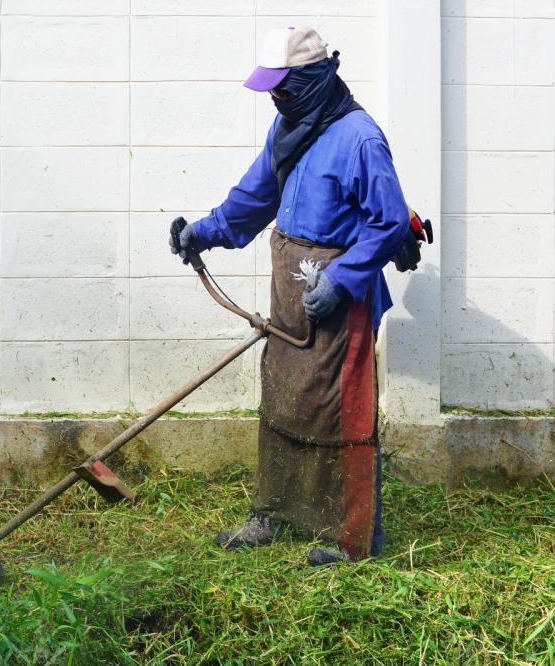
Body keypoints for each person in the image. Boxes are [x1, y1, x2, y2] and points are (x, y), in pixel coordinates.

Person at [169, 26, 410, 565]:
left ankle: (353, 539)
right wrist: (203, 231)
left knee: (342, 410)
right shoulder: (289, 128)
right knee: (284, 395)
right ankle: (273, 512)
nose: (276, 97)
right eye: (272, 89)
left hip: (339, 298)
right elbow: (254, 197)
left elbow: (389, 221)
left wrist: (343, 280)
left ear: (314, 79)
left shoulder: (359, 138)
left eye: (284, 87)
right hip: (290, 288)